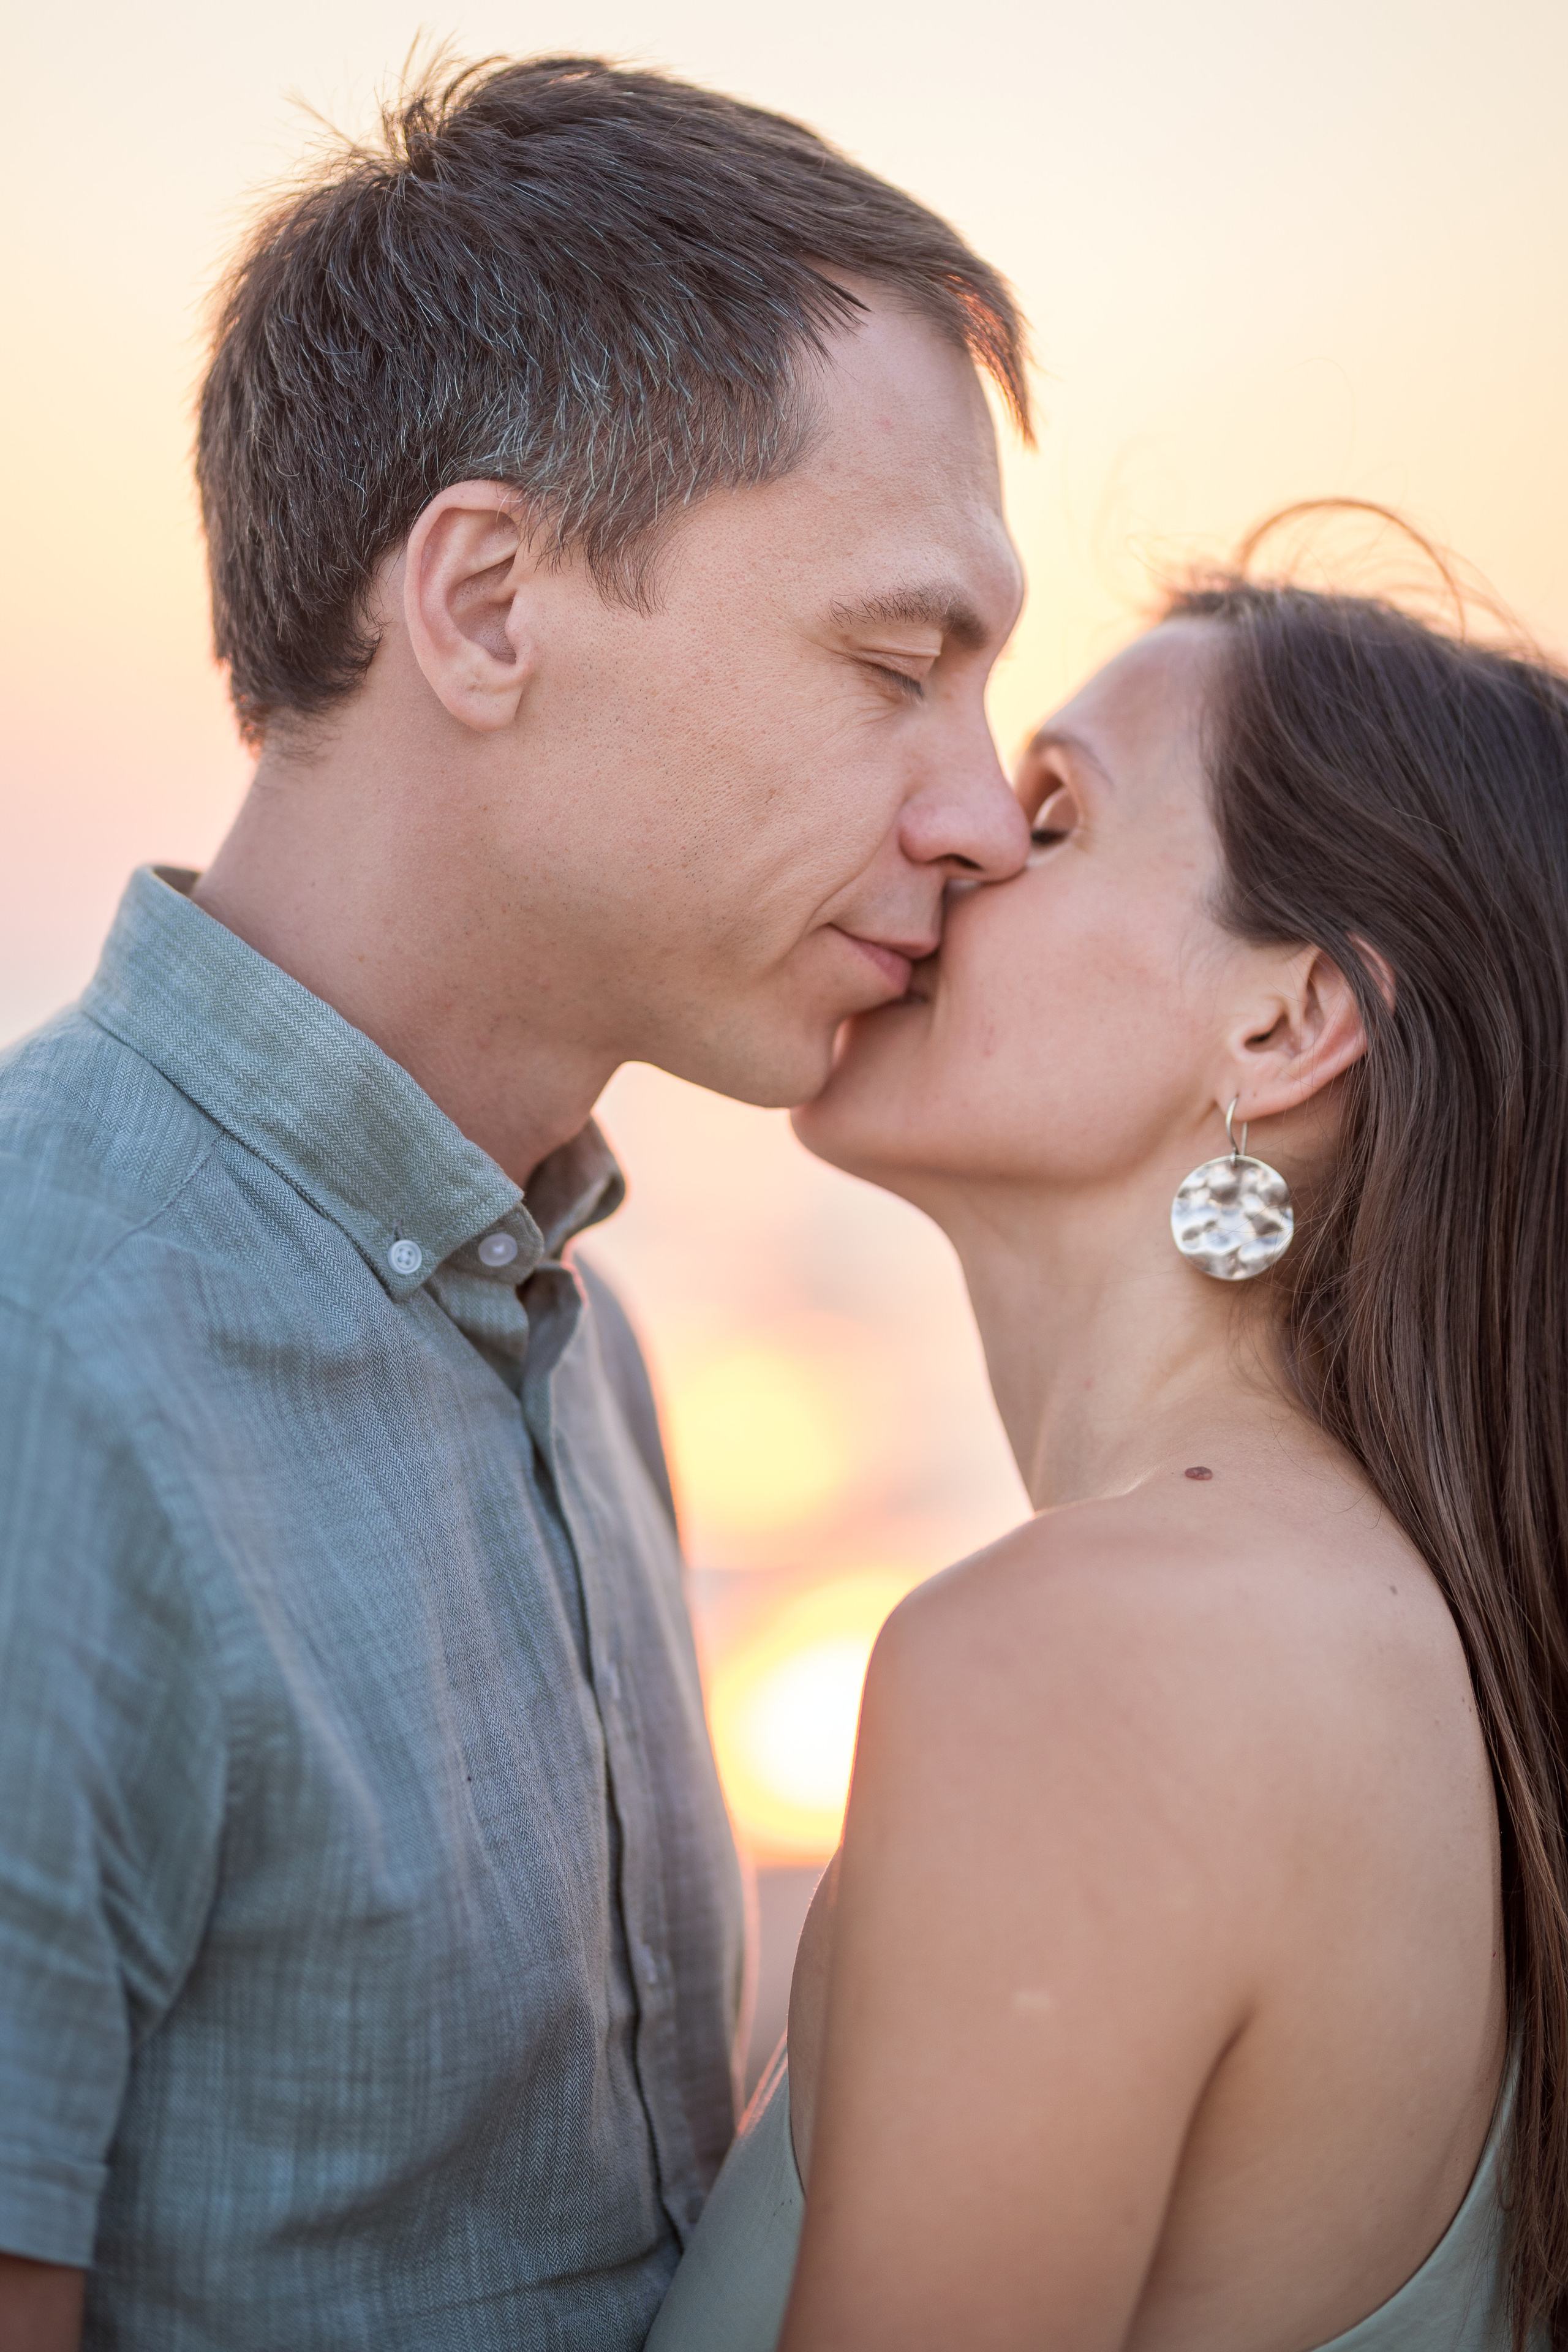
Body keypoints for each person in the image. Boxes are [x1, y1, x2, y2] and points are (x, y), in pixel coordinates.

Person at [0, 55, 1035, 2351]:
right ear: (482, 601)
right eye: (894, 666)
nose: (979, 813)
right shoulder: (39, 1352)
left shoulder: (579, 1342)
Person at [647, 565, 1568, 2350]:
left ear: (1289, 1023)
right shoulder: (1403, 1653)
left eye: (1059, 812)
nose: (972, 833)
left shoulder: (1090, 1659)